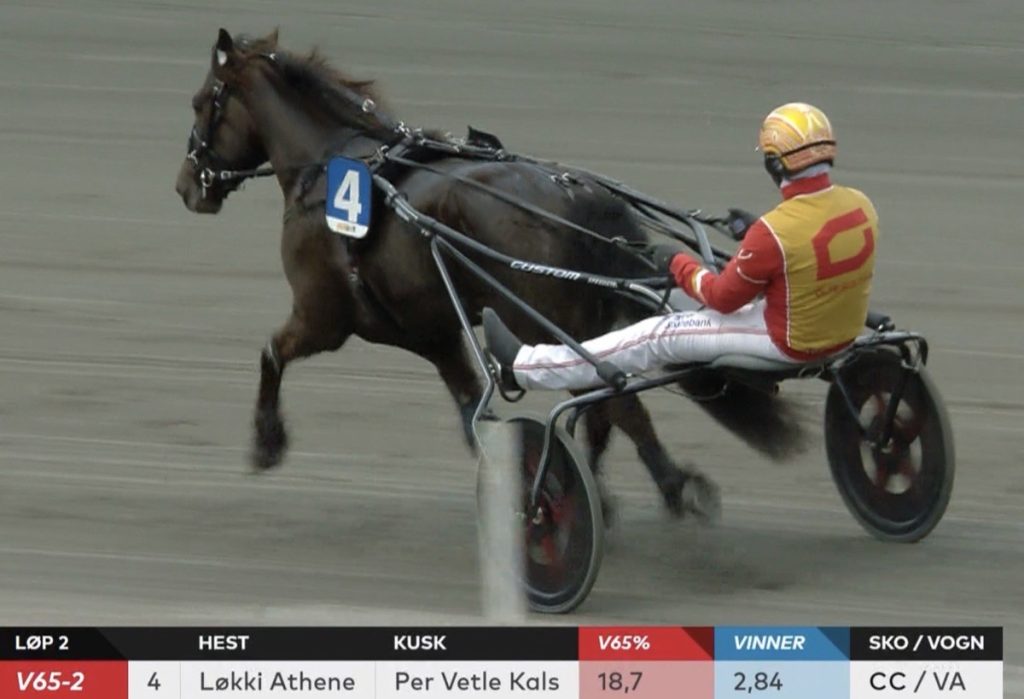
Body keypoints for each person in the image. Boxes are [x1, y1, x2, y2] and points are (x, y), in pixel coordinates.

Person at [484, 102, 879, 392]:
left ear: (775, 165)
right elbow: (807, 247)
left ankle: (525, 368)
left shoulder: (774, 233)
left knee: (656, 335)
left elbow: (721, 298)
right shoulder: (861, 205)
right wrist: (754, 233)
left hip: (786, 342)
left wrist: (678, 263)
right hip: (834, 329)